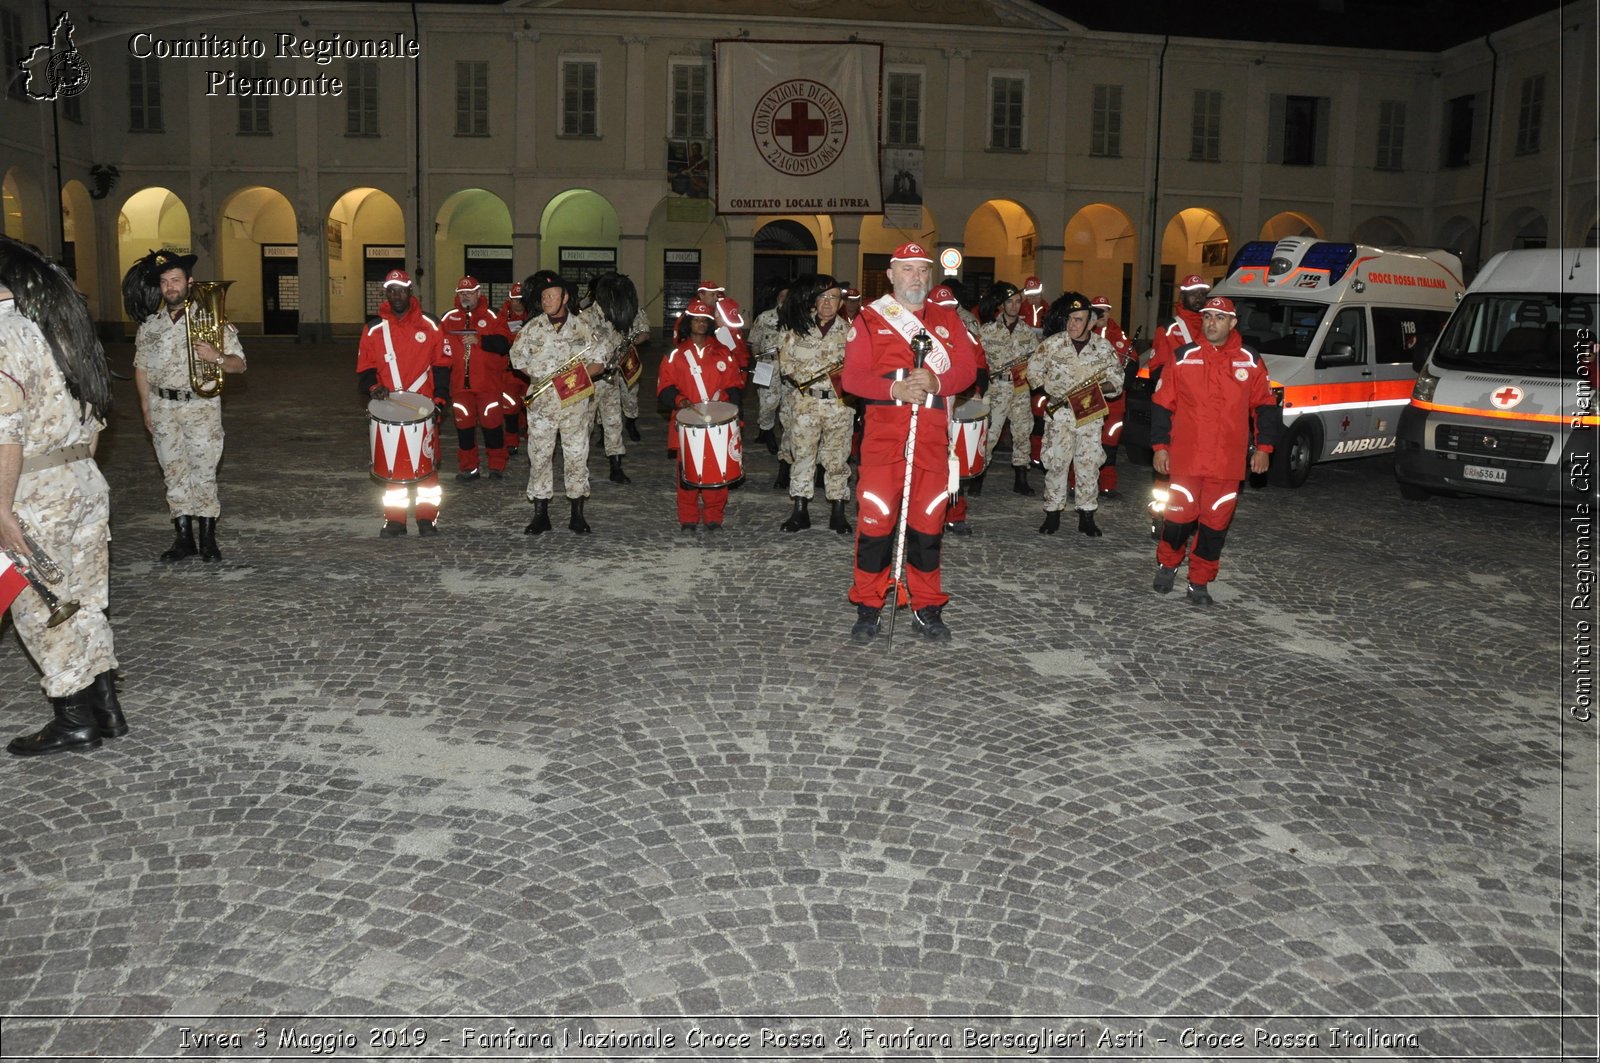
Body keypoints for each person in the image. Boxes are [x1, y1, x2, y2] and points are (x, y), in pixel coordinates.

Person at [0, 236, 123, 756]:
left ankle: (73, 721)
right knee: (88, 599)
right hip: (83, 477)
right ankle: (106, 709)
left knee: (42, 606)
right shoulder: (62, 334)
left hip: (33, 488)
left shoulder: (6, 336)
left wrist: (1, 508)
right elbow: (96, 420)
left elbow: (5, 434)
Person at [841, 242, 977, 643]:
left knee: (927, 526)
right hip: (884, 442)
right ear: (890, 274)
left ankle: (926, 605)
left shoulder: (948, 321)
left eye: (922, 270)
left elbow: (968, 369)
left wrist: (938, 381)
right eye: (907, 270)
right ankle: (869, 605)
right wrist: (895, 389)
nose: (916, 278)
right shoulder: (869, 319)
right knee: (876, 524)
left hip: (931, 441)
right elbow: (852, 379)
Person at [1151, 295, 1280, 604]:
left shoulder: (1249, 359)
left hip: (1227, 464)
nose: (1212, 323)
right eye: (1208, 317)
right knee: (1178, 520)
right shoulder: (1183, 357)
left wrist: (1264, 448)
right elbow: (1161, 405)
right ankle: (1167, 564)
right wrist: (1160, 447)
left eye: (1219, 318)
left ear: (1232, 323)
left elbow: (1264, 405)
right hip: (1186, 459)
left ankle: (1199, 582)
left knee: (1214, 526)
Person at [129, 249, 247, 562]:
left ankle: (208, 538)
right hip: (162, 408)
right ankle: (184, 539)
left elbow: (239, 365)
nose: (170, 287)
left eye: (176, 280)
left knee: (203, 472)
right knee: (173, 472)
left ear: (189, 283)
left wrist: (216, 357)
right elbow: (141, 368)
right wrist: (145, 407)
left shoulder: (212, 321)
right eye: (165, 281)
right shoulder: (149, 326)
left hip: (200, 408)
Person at [510, 269, 603, 535]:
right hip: (541, 406)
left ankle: (577, 514)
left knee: (576, 457)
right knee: (539, 457)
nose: (546, 300)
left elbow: (599, 359)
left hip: (575, 404)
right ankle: (541, 515)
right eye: (543, 296)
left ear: (564, 298)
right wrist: (539, 376)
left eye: (552, 295)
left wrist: (577, 377)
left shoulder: (582, 327)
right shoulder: (533, 328)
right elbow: (517, 358)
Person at [356, 269, 448, 536]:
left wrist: (441, 398)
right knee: (392, 466)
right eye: (392, 290)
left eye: (402, 290)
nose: (397, 295)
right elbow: (364, 370)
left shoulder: (430, 324)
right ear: (387, 293)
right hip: (389, 408)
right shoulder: (373, 329)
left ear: (410, 292)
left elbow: (442, 365)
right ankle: (395, 520)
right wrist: (373, 387)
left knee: (427, 467)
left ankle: (426, 518)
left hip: (424, 406)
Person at [1028, 292, 1124, 536]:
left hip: (1089, 415)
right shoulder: (1052, 344)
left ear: (1091, 322)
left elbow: (1117, 380)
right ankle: (1052, 513)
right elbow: (1033, 372)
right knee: (1056, 463)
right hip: (1059, 414)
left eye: (1079, 319)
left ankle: (1087, 514)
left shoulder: (1103, 347)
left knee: (1088, 464)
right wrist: (1050, 388)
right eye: (1070, 318)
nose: (1072, 324)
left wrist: (1099, 389)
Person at [775, 274, 853, 534]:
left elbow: (860, 370)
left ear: (841, 303)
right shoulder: (795, 329)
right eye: (822, 298)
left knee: (837, 460)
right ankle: (800, 511)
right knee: (802, 458)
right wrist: (824, 369)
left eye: (833, 298)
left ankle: (838, 511)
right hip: (806, 404)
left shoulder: (853, 333)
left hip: (839, 406)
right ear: (813, 301)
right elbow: (787, 366)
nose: (827, 303)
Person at [658, 299, 743, 532]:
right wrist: (678, 400)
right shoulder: (675, 355)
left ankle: (714, 517)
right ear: (687, 323)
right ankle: (688, 519)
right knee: (687, 475)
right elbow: (664, 388)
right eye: (695, 319)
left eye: (704, 320)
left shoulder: (723, 353)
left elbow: (735, 388)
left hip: (718, 424)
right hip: (687, 424)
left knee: (717, 474)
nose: (700, 324)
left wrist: (735, 420)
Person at [1144, 273, 1211, 538]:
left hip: (1206, 415)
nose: (1199, 296)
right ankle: (1161, 514)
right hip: (1177, 412)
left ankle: (1194, 515)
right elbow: (1157, 371)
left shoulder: (1214, 325)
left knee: (1201, 469)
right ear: (1182, 295)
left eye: (1203, 291)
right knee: (1166, 469)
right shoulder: (1170, 329)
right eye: (1194, 291)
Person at [440, 276, 513, 482]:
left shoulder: (492, 317)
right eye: (462, 293)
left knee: (492, 426)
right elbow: (439, 351)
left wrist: (479, 340)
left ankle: (496, 465)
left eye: (470, 292)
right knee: (464, 429)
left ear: (479, 294)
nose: (465, 296)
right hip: (459, 388)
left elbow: (504, 343)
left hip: (487, 385)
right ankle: (469, 467)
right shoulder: (448, 319)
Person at [581, 272, 645, 485]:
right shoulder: (584, 319)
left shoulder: (615, 317)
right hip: (589, 383)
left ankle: (616, 467)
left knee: (614, 424)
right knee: (584, 428)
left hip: (610, 381)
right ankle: (579, 469)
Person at [975, 280, 1037, 497]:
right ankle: (978, 476)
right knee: (989, 434)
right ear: (1002, 304)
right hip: (997, 388)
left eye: (1017, 302)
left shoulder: (1028, 333)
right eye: (1009, 302)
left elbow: (1035, 362)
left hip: (1020, 388)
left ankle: (1021, 478)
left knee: (1022, 432)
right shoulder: (988, 330)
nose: (1013, 306)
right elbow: (979, 360)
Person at [1089, 294, 1137, 498]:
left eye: (1105, 310)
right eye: (1098, 310)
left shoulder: (1119, 336)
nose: (1103, 314)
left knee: (1109, 445)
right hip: (1089, 398)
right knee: (1086, 443)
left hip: (1115, 403)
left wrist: (1123, 382)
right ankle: (1078, 484)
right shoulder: (1083, 333)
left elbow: (1133, 361)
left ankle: (1107, 484)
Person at [747, 282, 788, 454]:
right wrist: (758, 362)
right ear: (777, 297)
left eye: (788, 295)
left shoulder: (798, 319)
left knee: (787, 405)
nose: (784, 298)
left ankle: (782, 436)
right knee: (766, 404)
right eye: (782, 295)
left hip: (788, 368)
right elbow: (754, 342)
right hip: (766, 365)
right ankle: (767, 431)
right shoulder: (765, 317)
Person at [499, 281, 530, 455]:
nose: (517, 302)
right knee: (510, 408)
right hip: (509, 371)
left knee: (530, 405)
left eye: (520, 299)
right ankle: (512, 441)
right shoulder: (502, 317)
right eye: (514, 299)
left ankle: (529, 433)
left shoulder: (533, 316)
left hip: (528, 371)